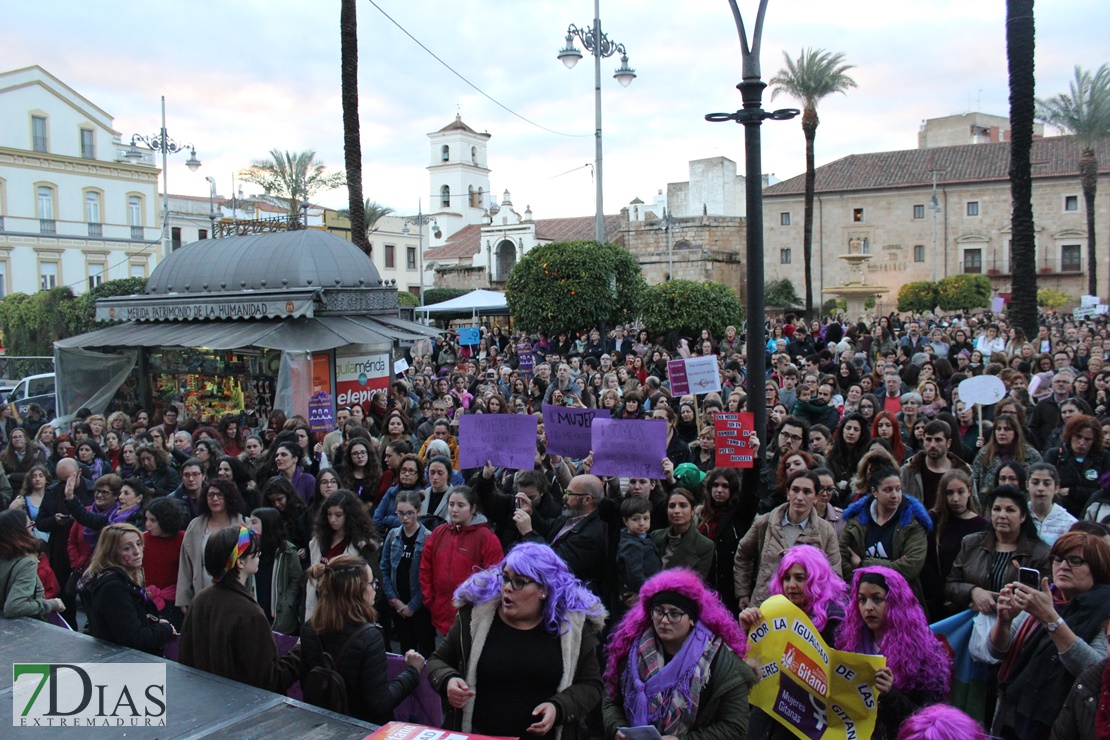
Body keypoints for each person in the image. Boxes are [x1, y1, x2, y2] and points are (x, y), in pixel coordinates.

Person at [427, 542, 606, 738]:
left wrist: (560, 707)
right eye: (505, 578)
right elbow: (437, 661)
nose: (507, 588)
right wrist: (448, 680)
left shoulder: (573, 628)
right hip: (480, 734)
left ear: (543, 590)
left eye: (519, 581)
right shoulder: (475, 618)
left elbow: (591, 685)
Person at [603, 568, 756, 740]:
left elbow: (735, 727)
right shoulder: (630, 650)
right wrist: (616, 728)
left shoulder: (722, 662)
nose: (664, 620)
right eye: (659, 611)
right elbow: (611, 700)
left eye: (674, 614)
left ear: (692, 619)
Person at [988, 531, 1110, 738]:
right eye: (1058, 559)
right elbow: (996, 652)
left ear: (1097, 568)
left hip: (1060, 719)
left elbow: (1095, 668)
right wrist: (1004, 621)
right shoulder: (1044, 597)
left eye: (1075, 561)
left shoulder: (1104, 611)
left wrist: (1050, 619)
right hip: (1015, 711)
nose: (1063, 566)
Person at [300, 554, 425, 723]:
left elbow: (307, 683)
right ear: (356, 590)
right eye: (371, 583)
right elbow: (380, 703)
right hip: (362, 728)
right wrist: (413, 672)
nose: (375, 588)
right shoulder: (369, 637)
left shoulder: (310, 628)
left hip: (323, 723)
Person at [178, 526, 301, 693]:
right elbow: (269, 680)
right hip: (240, 709)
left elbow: (185, 659)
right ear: (240, 562)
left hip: (205, 705)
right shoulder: (249, 614)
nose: (259, 554)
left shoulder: (201, 599)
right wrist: (299, 652)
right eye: (255, 552)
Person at [835, 567, 952, 740]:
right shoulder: (848, 643)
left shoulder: (924, 653)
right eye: (862, 600)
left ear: (896, 603)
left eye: (877, 599)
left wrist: (891, 693)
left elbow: (927, 719)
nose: (868, 608)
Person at [735, 469, 842, 609]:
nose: (799, 497)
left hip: (806, 612)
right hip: (764, 606)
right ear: (787, 493)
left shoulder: (826, 531)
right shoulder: (765, 523)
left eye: (807, 492)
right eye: (795, 490)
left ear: (816, 497)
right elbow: (743, 555)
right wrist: (743, 592)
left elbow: (835, 575)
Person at [945, 485, 1051, 615]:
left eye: (1010, 510)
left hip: (1018, 625)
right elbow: (951, 585)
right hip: (973, 621)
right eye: (997, 509)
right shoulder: (971, 544)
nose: (1002, 515)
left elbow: (1045, 597)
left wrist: (997, 601)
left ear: (1023, 516)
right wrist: (973, 592)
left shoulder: (1041, 554)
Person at [840, 465, 932, 611]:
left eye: (898, 489)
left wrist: (862, 564)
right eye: (888, 490)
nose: (895, 495)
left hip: (902, 603)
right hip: (862, 601)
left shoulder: (913, 523)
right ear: (874, 491)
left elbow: (910, 566)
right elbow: (843, 557)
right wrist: (865, 584)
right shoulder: (856, 520)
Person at [77, 523, 176, 655]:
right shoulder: (114, 588)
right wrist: (165, 629)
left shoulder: (125, 577)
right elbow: (133, 638)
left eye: (139, 544)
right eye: (127, 548)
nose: (137, 551)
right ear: (112, 552)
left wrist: (155, 623)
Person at [420, 486, 503, 638]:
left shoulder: (486, 537)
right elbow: (426, 567)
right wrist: (430, 599)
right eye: (451, 504)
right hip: (440, 614)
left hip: (470, 618)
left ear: (473, 508)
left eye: (461, 505)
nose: (454, 510)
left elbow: (494, 578)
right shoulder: (439, 532)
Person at [739, 544, 847, 644]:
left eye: (799, 578)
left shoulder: (835, 617)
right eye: (786, 578)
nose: (791, 585)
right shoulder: (773, 612)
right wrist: (748, 630)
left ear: (817, 581)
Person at [921, 469, 989, 618]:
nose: (955, 498)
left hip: (970, 602)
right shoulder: (933, 520)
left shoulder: (982, 526)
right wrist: (942, 593)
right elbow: (927, 562)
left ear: (969, 492)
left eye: (960, 492)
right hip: (937, 601)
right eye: (950, 493)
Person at [305, 490, 382, 621]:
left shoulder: (363, 546)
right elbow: (310, 580)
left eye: (338, 515)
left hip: (347, 613)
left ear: (349, 515)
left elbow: (376, 584)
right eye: (329, 514)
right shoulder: (317, 542)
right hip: (319, 608)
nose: (332, 519)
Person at [176, 478, 250, 612]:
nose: (214, 499)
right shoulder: (195, 525)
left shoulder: (243, 525)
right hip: (202, 589)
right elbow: (185, 564)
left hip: (235, 593)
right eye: (210, 495)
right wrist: (184, 597)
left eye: (219, 495)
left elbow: (249, 564)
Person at [381, 490, 435, 657]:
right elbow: (385, 568)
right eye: (401, 513)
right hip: (398, 604)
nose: (405, 518)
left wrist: (412, 605)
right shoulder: (393, 535)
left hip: (421, 606)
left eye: (410, 513)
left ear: (418, 512)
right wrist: (394, 600)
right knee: (405, 650)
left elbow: (430, 578)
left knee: (426, 650)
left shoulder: (428, 538)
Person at [0, 509, 65, 619]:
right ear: (20, 532)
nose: (33, 528)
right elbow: (15, 607)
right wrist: (52, 604)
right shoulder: (26, 563)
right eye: (30, 525)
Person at [248, 507, 303, 635]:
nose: (249, 526)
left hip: (279, 611)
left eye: (254, 522)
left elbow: (296, 579)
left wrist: (287, 603)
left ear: (267, 525)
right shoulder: (248, 550)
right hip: (255, 606)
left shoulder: (288, 551)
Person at [1044, 414, 1110, 519]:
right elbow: (1046, 486)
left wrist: (1072, 491)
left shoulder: (1104, 458)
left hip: (1092, 514)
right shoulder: (1054, 455)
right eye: (1078, 437)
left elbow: (1103, 492)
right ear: (1070, 435)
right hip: (1058, 512)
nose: (1081, 443)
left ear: (1094, 441)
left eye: (1087, 439)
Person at [970, 413, 1042, 499]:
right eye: (998, 429)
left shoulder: (1031, 455)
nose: (1001, 433)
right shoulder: (984, 454)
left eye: (1007, 429)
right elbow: (974, 482)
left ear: (1016, 432)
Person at [141, 497, 187, 627]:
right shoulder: (142, 539)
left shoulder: (183, 539)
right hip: (147, 598)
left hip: (175, 601)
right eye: (146, 519)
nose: (147, 524)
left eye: (153, 520)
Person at [650, 488, 714, 579]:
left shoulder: (704, 545)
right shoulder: (655, 536)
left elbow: (696, 583)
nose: (676, 511)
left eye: (683, 506)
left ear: (692, 510)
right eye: (672, 506)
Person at [1027, 462, 1078, 545]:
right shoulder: (1018, 515)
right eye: (1035, 483)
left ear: (1056, 488)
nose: (1040, 488)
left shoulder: (1069, 523)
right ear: (1027, 485)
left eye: (1047, 484)